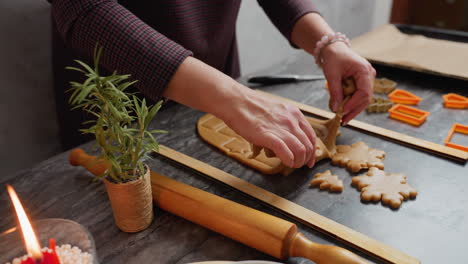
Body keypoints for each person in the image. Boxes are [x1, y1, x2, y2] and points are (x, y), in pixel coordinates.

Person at [50, 0, 375, 169]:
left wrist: (326, 43)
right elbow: (83, 7)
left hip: (220, 84)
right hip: (118, 106)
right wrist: (237, 100)